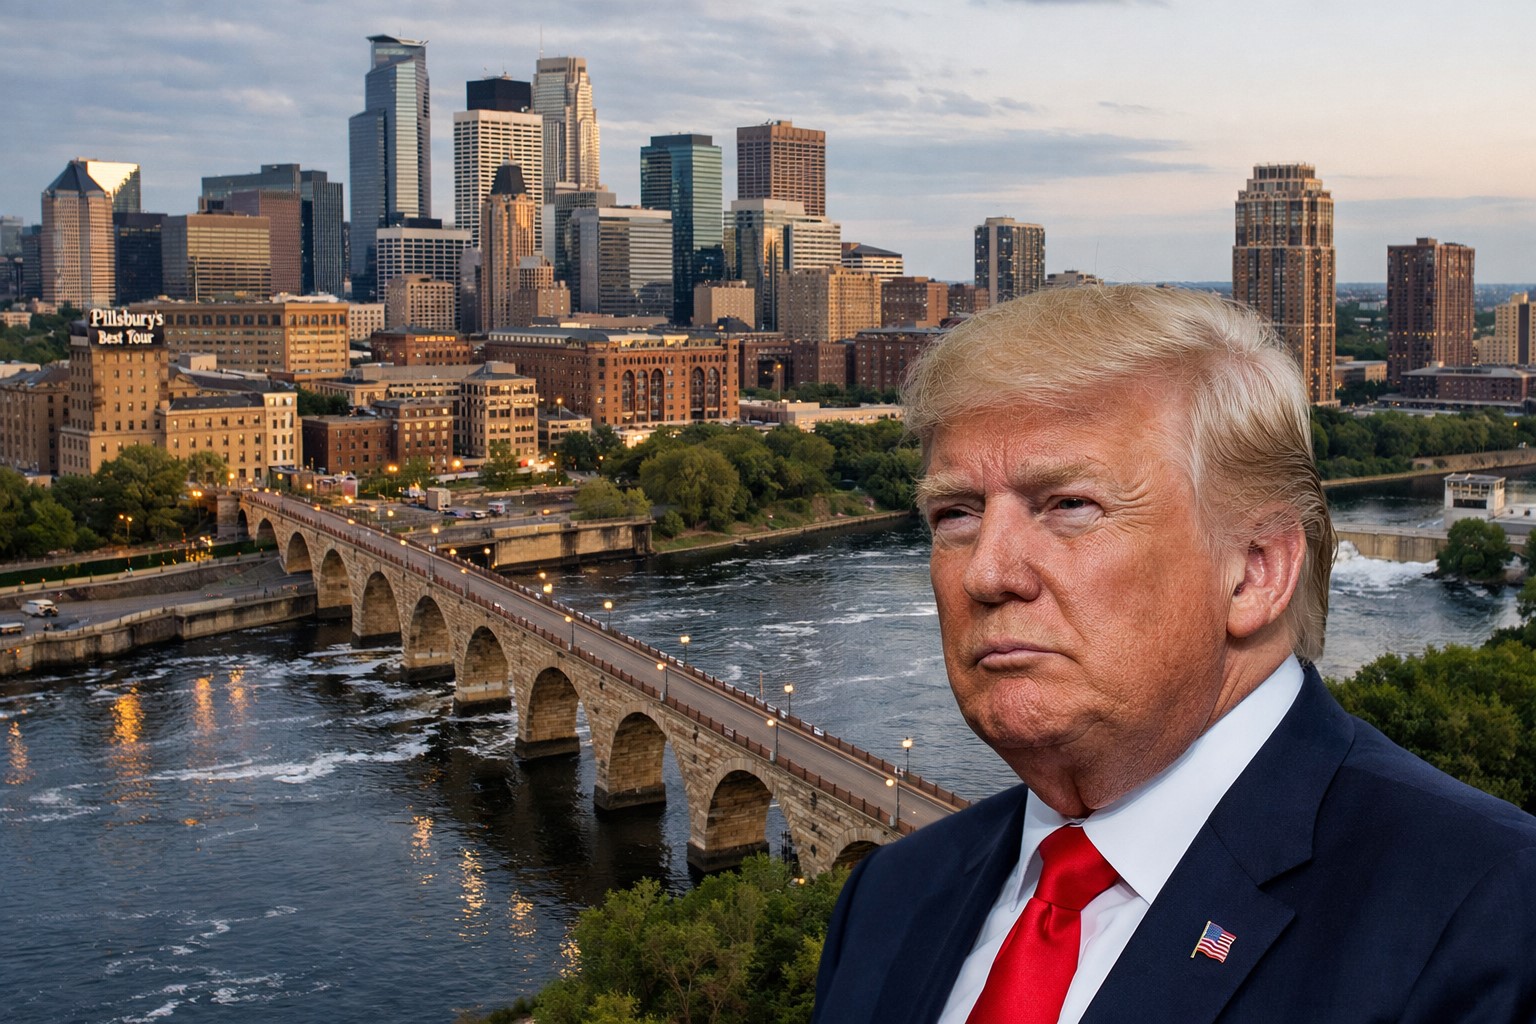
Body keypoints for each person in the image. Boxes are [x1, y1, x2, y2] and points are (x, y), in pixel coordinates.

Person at [813, 285, 1536, 1024]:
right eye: (956, 514)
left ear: (1255, 570)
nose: (987, 572)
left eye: (1068, 505)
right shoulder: (891, 897)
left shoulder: (1488, 911)